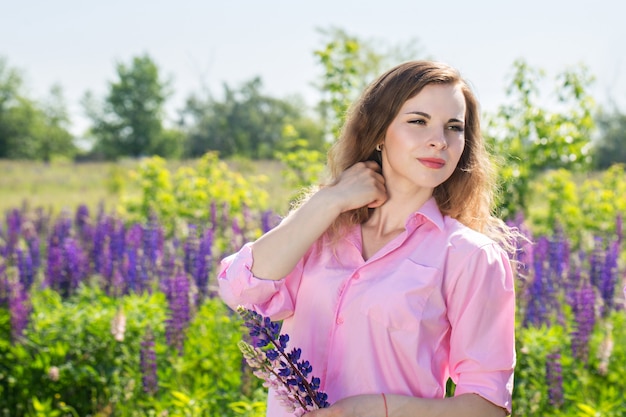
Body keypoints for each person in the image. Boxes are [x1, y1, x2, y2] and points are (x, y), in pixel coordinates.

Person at [218, 60, 517, 417]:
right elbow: (239, 292)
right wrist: (329, 200)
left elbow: (487, 406)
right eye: (418, 121)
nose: (439, 140)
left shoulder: (470, 257)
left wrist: (380, 409)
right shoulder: (321, 230)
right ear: (379, 132)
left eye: (454, 127)